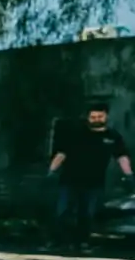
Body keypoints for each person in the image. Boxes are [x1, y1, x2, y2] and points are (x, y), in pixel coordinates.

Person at [48, 102, 133, 249]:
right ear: (88, 117)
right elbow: (62, 153)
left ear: (106, 116)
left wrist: (129, 174)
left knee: (87, 213)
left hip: (95, 182)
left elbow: (121, 157)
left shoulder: (112, 137)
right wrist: (51, 171)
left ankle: (82, 242)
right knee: (62, 211)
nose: (96, 119)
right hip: (69, 180)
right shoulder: (77, 133)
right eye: (93, 117)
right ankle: (58, 241)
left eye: (100, 116)